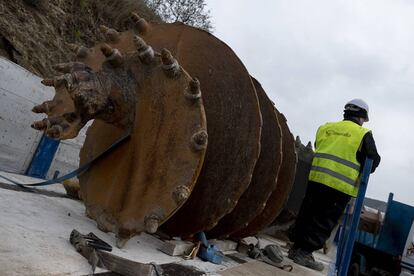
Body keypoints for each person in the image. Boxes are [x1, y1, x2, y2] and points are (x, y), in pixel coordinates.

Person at [288, 99, 381, 271]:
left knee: (307, 214)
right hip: (339, 185)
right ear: (362, 117)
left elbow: (319, 146)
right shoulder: (363, 134)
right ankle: (304, 253)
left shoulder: (326, 128)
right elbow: (373, 160)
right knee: (324, 220)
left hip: (316, 179)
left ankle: (296, 249)